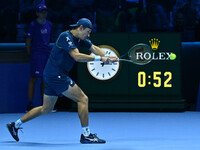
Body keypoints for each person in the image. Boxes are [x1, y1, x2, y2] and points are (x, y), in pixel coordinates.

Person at [7, 18, 118, 143]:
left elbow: (93, 48)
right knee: (83, 99)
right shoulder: (65, 37)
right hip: (56, 75)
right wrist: (100, 59)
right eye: (88, 31)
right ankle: (86, 135)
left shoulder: (80, 38)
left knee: (46, 108)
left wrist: (108, 57)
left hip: (50, 75)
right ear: (80, 27)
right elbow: (76, 56)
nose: (88, 34)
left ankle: (14, 125)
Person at [26, 4, 53, 111]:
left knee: (45, 79)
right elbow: (28, 41)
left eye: (45, 11)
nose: (44, 13)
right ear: (37, 13)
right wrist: (31, 55)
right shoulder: (32, 25)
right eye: (41, 11)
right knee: (34, 78)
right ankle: (30, 104)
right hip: (36, 55)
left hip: (47, 54)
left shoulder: (50, 24)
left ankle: (45, 104)